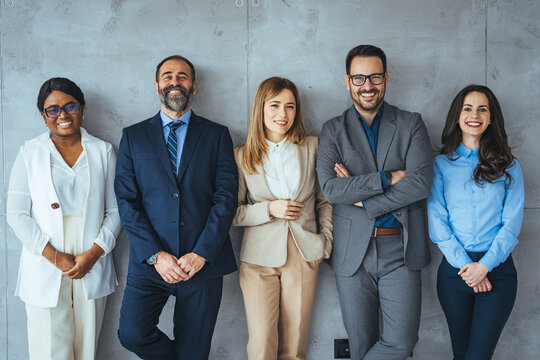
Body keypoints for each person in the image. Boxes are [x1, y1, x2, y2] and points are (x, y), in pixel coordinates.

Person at [115, 55, 238, 359]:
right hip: (150, 263)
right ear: (157, 85)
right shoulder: (133, 137)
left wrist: (201, 254)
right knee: (131, 333)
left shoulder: (217, 134)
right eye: (168, 76)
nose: (174, 82)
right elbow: (127, 202)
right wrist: (156, 256)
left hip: (202, 263)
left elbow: (226, 198)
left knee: (194, 351)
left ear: (193, 86)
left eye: (182, 77)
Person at [316, 44, 433, 359]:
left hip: (401, 249)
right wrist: (388, 178)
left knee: (401, 344)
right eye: (359, 78)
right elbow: (332, 190)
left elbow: (420, 183)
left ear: (386, 78)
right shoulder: (332, 130)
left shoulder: (411, 123)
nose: (368, 85)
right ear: (347, 81)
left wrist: (365, 201)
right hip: (352, 253)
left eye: (375, 77)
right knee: (361, 346)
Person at [6, 77, 121, 360]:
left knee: (86, 348)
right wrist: (54, 256)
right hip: (45, 255)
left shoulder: (103, 151)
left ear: (81, 108)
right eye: (53, 109)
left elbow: (117, 210)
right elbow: (17, 213)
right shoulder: (30, 153)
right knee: (49, 349)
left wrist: (95, 253)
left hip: (91, 253)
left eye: (70, 106)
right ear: (43, 116)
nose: (63, 115)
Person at [233, 77, 333, 360]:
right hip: (257, 260)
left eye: (290, 106)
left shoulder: (314, 147)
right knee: (262, 344)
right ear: (260, 108)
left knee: (295, 346)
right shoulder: (242, 156)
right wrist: (268, 209)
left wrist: (325, 244)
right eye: (275, 105)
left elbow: (326, 200)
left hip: (304, 254)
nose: (283, 114)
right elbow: (232, 211)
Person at [427, 84, 524, 359]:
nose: (475, 115)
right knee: (461, 355)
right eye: (467, 108)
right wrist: (468, 267)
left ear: (491, 118)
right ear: (457, 115)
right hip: (455, 273)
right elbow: (438, 223)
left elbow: (512, 225)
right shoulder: (440, 165)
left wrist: (485, 267)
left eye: (483, 109)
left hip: (499, 272)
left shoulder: (509, 166)